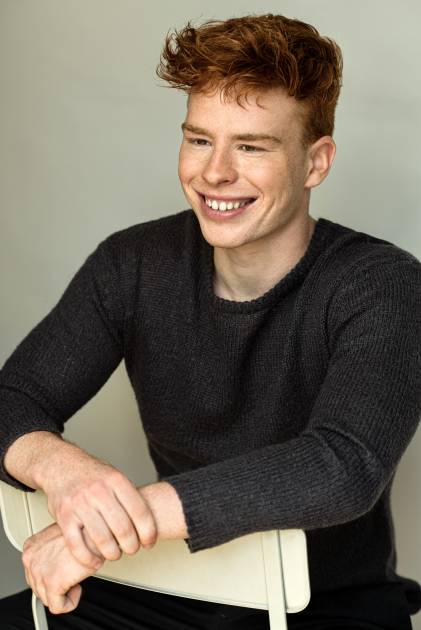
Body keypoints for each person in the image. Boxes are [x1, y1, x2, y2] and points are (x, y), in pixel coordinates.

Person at [0, 12, 420, 630]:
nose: (214, 172)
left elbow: (344, 464)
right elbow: (13, 398)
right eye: (199, 139)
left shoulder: (383, 283)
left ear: (316, 162)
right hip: (167, 588)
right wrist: (68, 476)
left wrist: (119, 523)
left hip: (326, 606)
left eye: (251, 146)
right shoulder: (133, 263)